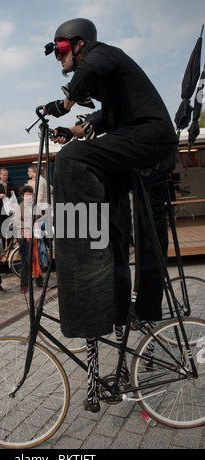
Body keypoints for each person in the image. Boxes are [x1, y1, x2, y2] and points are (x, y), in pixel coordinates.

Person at [43, 18, 178, 411]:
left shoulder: (104, 56)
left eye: (63, 51)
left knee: (70, 162)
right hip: (134, 139)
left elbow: (93, 69)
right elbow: (108, 116)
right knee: (113, 221)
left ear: (80, 45)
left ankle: (83, 239)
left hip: (150, 138)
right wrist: (77, 127)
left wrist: (66, 102)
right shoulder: (105, 78)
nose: (61, 59)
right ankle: (115, 287)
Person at [13, 185, 45, 294]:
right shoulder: (20, 207)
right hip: (24, 236)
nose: (29, 197)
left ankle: (39, 282)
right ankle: (24, 285)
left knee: (37, 258)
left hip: (35, 236)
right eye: (26, 195)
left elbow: (41, 218)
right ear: (23, 196)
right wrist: (28, 226)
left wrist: (38, 223)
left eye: (30, 195)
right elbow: (16, 222)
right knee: (25, 261)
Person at [0, 168, 16, 246]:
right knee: (2, 229)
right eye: (3, 175)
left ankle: (9, 246)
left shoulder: (11, 184)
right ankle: (2, 247)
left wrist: (13, 191)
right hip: (1, 210)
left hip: (10, 211)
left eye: (6, 175)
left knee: (10, 228)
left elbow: (17, 192)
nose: (5, 177)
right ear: (0, 175)